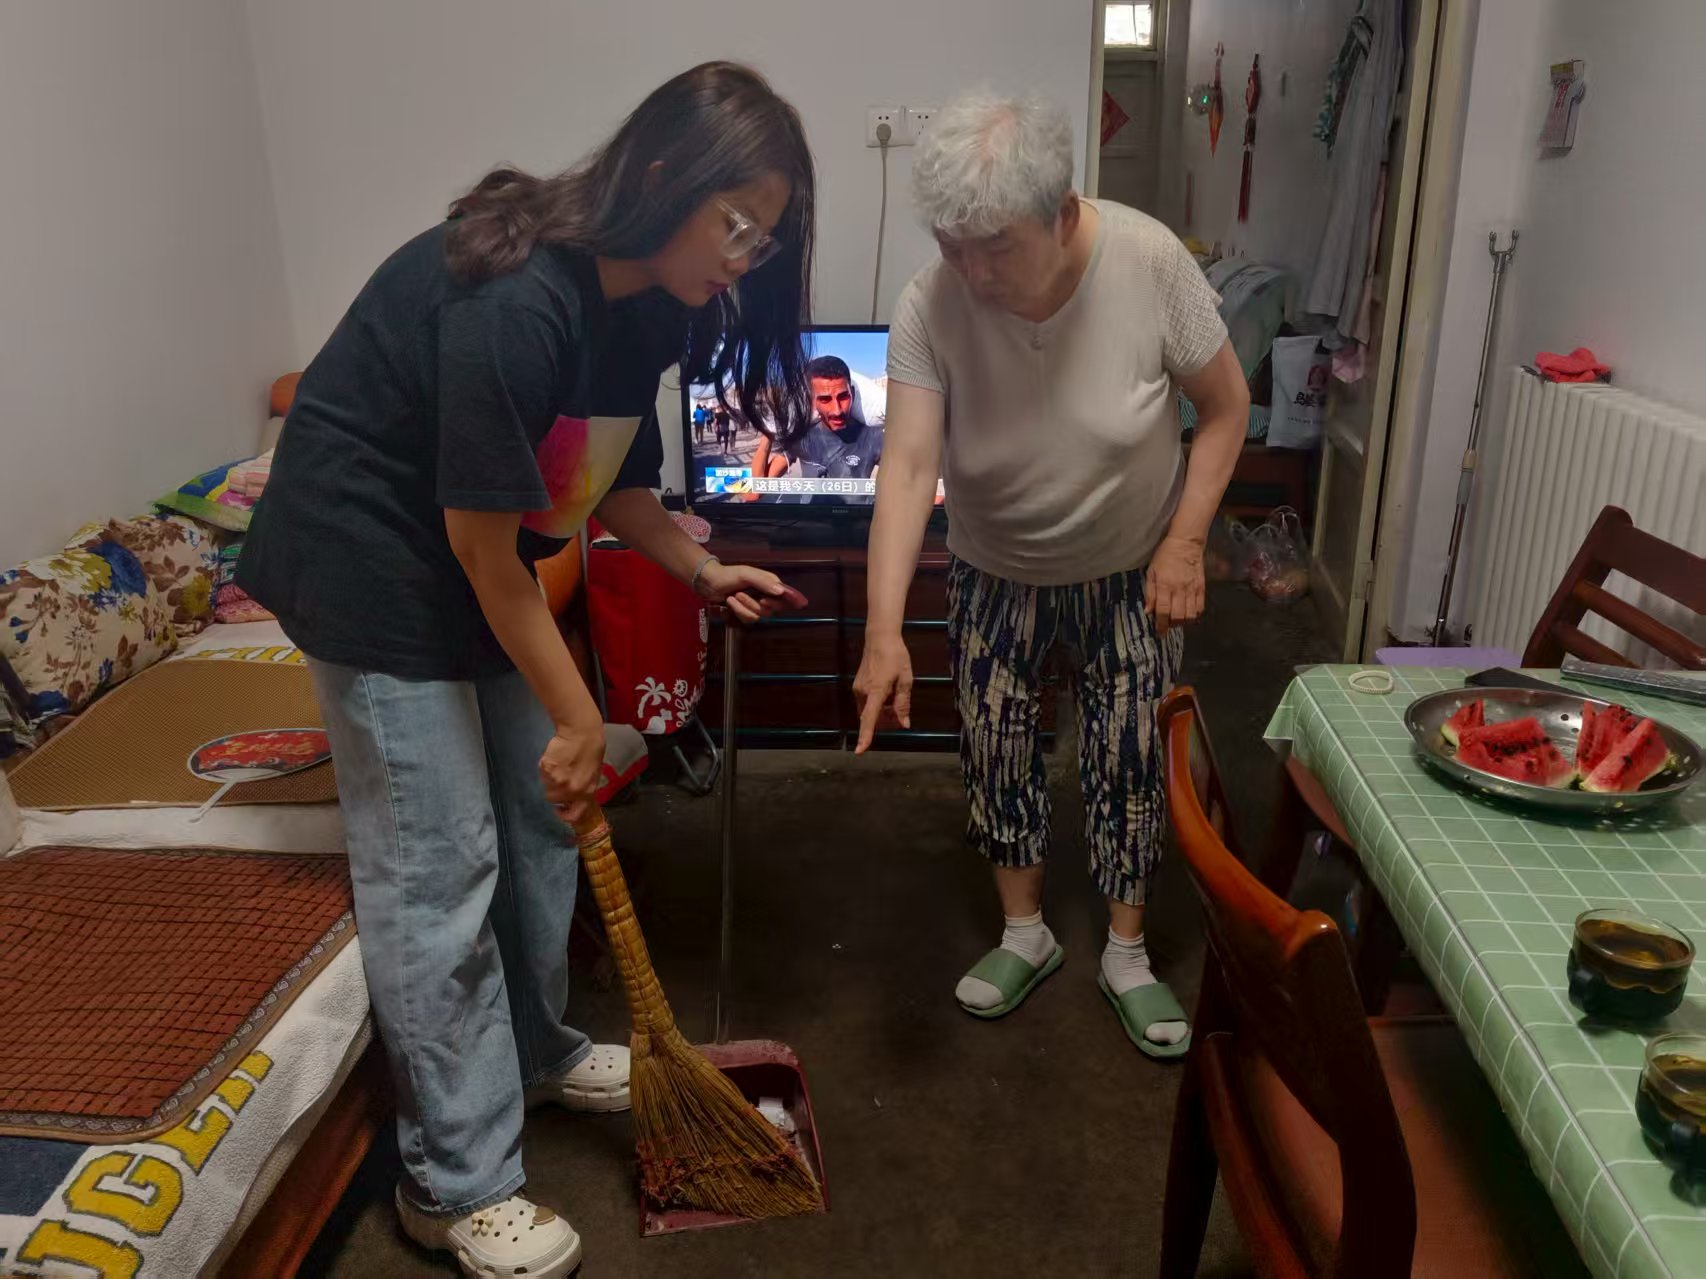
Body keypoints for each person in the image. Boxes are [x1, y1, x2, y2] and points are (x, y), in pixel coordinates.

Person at [238, 62, 816, 1279]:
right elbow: (484, 554)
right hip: (368, 568)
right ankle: (451, 1183)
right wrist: (579, 717)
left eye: (762, 238)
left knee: (539, 819)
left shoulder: (649, 308)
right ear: (660, 173)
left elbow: (610, 483)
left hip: (469, 557)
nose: (744, 258)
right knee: (440, 863)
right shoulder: (511, 300)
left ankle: (537, 1052)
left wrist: (697, 570)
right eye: (735, 223)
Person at [853, 91, 1248, 1058]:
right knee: (995, 749)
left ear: (1063, 214)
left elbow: (1226, 408)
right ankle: (1024, 931)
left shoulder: (1149, 263)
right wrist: (883, 629)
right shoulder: (930, 301)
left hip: (1129, 568)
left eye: (996, 247)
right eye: (953, 247)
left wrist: (1186, 541)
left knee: (1129, 755)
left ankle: (1128, 951)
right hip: (994, 569)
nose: (974, 272)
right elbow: (907, 467)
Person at [751, 355, 885, 496]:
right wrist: (769, 431)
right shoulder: (803, 438)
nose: (837, 410)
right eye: (825, 399)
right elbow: (753, 494)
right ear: (811, 400)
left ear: (852, 393)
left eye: (843, 397)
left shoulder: (873, 437)